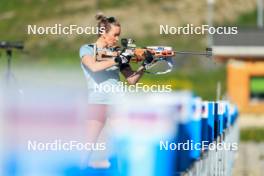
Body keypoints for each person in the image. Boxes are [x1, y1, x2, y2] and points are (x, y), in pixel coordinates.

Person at [79, 13, 153, 168]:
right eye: (115, 35)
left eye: (119, 35)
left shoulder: (118, 52)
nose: (117, 39)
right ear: (103, 33)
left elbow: (132, 79)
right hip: (97, 103)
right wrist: (118, 58)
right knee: (86, 148)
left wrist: (146, 64)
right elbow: (94, 66)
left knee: (123, 146)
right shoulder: (87, 49)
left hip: (117, 104)